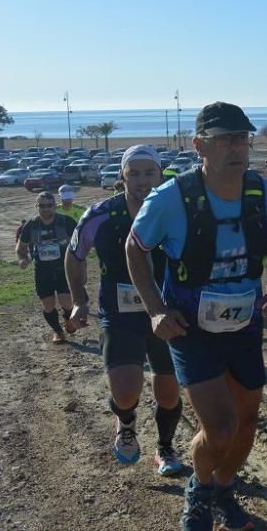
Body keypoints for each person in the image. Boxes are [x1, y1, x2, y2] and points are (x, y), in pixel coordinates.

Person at [126, 102, 267, 531]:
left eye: (241, 137)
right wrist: (155, 310)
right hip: (190, 327)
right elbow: (135, 248)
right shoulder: (172, 198)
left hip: (244, 325)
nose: (235, 147)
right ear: (199, 145)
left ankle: (223, 490)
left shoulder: (266, 195)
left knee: (245, 428)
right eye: (223, 139)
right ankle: (199, 491)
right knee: (221, 429)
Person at [65, 145, 185, 474]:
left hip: (166, 313)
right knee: (126, 389)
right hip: (119, 317)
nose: (143, 180)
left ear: (161, 175)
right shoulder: (100, 215)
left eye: (150, 172)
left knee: (169, 393)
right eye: (134, 173)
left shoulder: (176, 213)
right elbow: (73, 257)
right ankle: (126, 421)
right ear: (122, 175)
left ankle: (165, 448)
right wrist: (79, 299)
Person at [16, 191, 78, 343]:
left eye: (49, 205)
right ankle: (58, 332)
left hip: (63, 268)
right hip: (43, 271)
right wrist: (22, 260)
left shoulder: (66, 222)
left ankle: (68, 318)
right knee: (48, 305)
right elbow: (20, 247)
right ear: (37, 207)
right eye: (42, 206)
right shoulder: (31, 225)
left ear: (54, 206)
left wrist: (78, 261)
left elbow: (81, 243)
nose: (46, 209)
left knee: (67, 302)